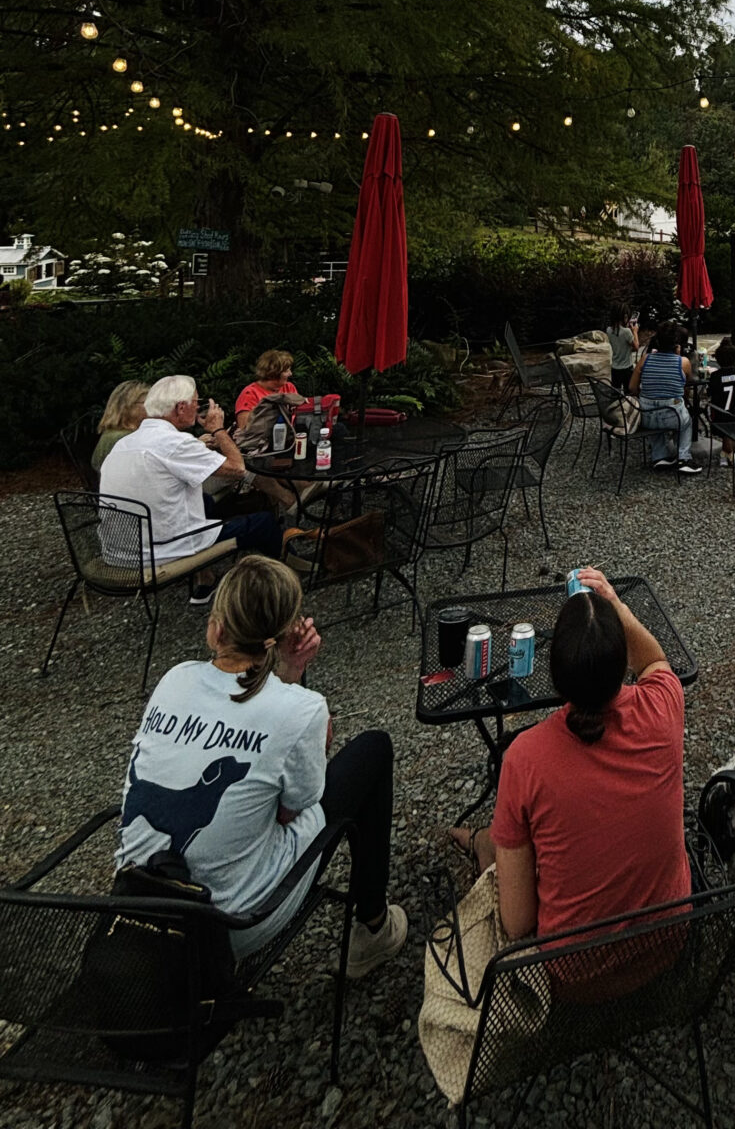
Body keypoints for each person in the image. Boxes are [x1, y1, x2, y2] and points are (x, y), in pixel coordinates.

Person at [116, 555, 407, 974]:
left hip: (134, 904)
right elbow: (290, 811)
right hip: (230, 925)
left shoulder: (175, 679)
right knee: (373, 750)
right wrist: (291, 676)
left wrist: (288, 671)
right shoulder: (303, 710)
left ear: (217, 627)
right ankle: (373, 929)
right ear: (284, 631)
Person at [455, 567, 688, 955]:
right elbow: (654, 662)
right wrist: (615, 605)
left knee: (521, 851)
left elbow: (517, 923)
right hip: (666, 948)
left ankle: (487, 845)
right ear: (621, 669)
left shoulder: (525, 758)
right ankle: (486, 843)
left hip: (576, 981)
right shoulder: (663, 708)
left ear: (556, 679)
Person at [99, 375, 282, 589]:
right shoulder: (175, 442)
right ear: (181, 407)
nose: (199, 407)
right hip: (160, 552)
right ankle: (288, 580)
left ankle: (203, 582)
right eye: (197, 402)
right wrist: (218, 430)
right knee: (265, 523)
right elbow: (238, 469)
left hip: (119, 551)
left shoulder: (123, 444)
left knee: (206, 502)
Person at [630, 323, 702, 475]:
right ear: (677, 345)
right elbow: (686, 387)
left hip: (646, 416)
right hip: (673, 415)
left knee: (653, 412)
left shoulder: (645, 359)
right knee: (686, 422)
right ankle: (683, 457)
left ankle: (659, 456)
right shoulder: (683, 362)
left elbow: (632, 388)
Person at [234, 350, 301, 428]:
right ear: (274, 373)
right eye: (286, 371)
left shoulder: (289, 387)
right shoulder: (250, 394)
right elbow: (244, 427)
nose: (290, 374)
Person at [92, 379, 149, 470]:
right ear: (127, 407)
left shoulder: (112, 434)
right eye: (147, 403)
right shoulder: (124, 439)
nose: (152, 407)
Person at [707, 336, 735, 468]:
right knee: (728, 433)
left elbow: (709, 392)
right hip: (733, 409)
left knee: (724, 434)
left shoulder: (715, 375)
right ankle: (732, 457)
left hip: (718, 409)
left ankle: (724, 456)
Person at [604, 306, 640, 395]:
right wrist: (635, 332)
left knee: (616, 392)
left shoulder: (609, 330)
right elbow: (636, 347)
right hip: (627, 368)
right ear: (624, 317)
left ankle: (617, 407)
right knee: (629, 393)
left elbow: (620, 344)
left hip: (615, 368)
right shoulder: (626, 332)